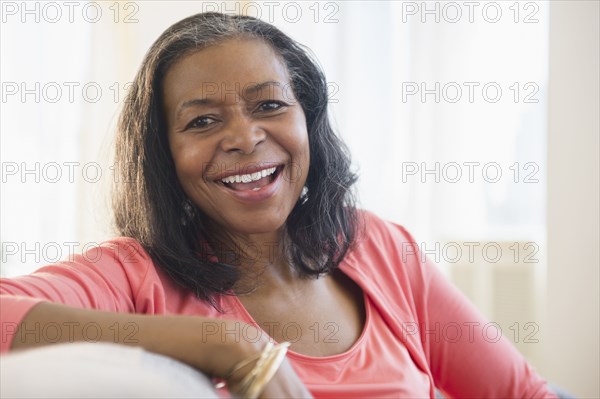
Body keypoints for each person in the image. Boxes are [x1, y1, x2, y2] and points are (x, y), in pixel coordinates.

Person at [0, 12, 557, 399]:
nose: (244, 137)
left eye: (269, 104)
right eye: (202, 120)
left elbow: (522, 391)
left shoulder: (381, 246)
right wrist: (226, 343)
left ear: (306, 120)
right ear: (164, 157)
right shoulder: (132, 273)